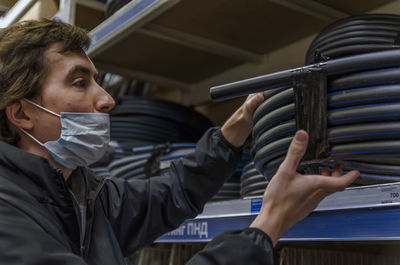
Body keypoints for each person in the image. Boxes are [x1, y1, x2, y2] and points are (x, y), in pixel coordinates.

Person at [0, 19, 359, 265]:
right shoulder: (8, 217)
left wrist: (231, 134)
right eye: (80, 83)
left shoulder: (81, 194)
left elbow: (169, 195)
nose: (106, 99)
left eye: (97, 80)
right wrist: (269, 223)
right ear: (21, 114)